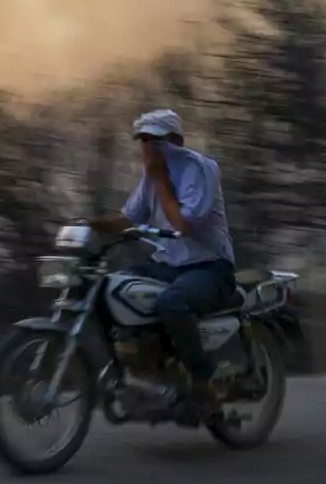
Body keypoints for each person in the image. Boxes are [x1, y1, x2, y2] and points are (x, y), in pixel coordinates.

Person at [91, 108, 237, 422]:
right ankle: (131, 370)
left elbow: (183, 224)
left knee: (172, 303)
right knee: (104, 289)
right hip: (167, 266)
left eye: (157, 140)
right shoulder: (151, 177)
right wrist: (89, 226)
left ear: (177, 140)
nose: (149, 147)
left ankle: (203, 383)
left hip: (209, 268)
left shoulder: (199, 169)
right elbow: (128, 219)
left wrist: (159, 180)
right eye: (143, 140)